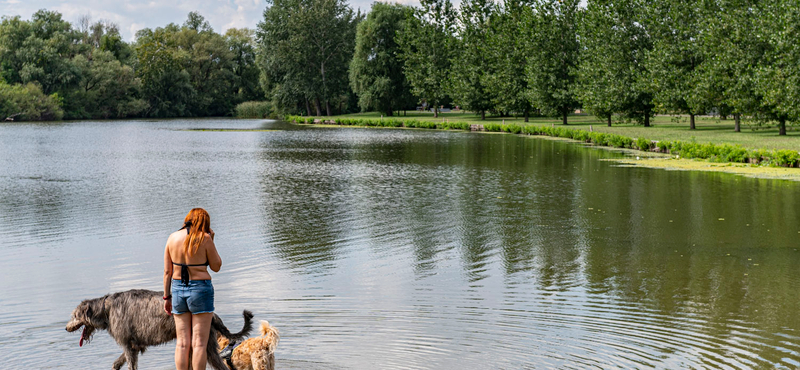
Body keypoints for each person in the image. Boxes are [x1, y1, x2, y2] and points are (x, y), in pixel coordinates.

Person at [163, 208, 222, 370]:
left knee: (182, 343)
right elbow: (216, 267)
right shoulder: (205, 238)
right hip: (200, 290)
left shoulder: (172, 237)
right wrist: (212, 240)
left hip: (177, 290)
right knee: (199, 344)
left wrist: (166, 297)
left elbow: (167, 272)